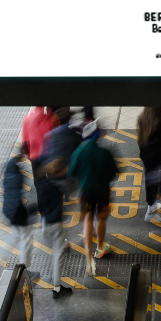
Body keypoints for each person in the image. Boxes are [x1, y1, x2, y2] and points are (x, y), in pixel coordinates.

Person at [34, 108, 79, 300]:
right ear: (59, 171)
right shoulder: (56, 186)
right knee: (58, 255)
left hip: (46, 223)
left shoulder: (44, 181)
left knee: (59, 248)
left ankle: (57, 284)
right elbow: (69, 184)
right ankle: (57, 287)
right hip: (54, 224)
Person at [68, 120, 118, 276]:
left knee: (88, 219)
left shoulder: (79, 151)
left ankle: (89, 259)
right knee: (101, 218)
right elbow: (113, 174)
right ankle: (100, 247)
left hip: (86, 192)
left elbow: (72, 172)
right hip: (103, 191)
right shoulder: (105, 152)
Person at [2, 146, 36, 279]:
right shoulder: (17, 173)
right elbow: (17, 195)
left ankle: (1, 259)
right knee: (26, 241)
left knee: (16, 236)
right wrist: (31, 209)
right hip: (16, 211)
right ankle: (26, 272)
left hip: (8, 209)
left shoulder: (10, 166)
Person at [137, 106, 161, 222]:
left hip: (147, 156)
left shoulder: (143, 118)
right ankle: (151, 211)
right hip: (159, 159)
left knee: (150, 182)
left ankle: (151, 205)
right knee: (158, 181)